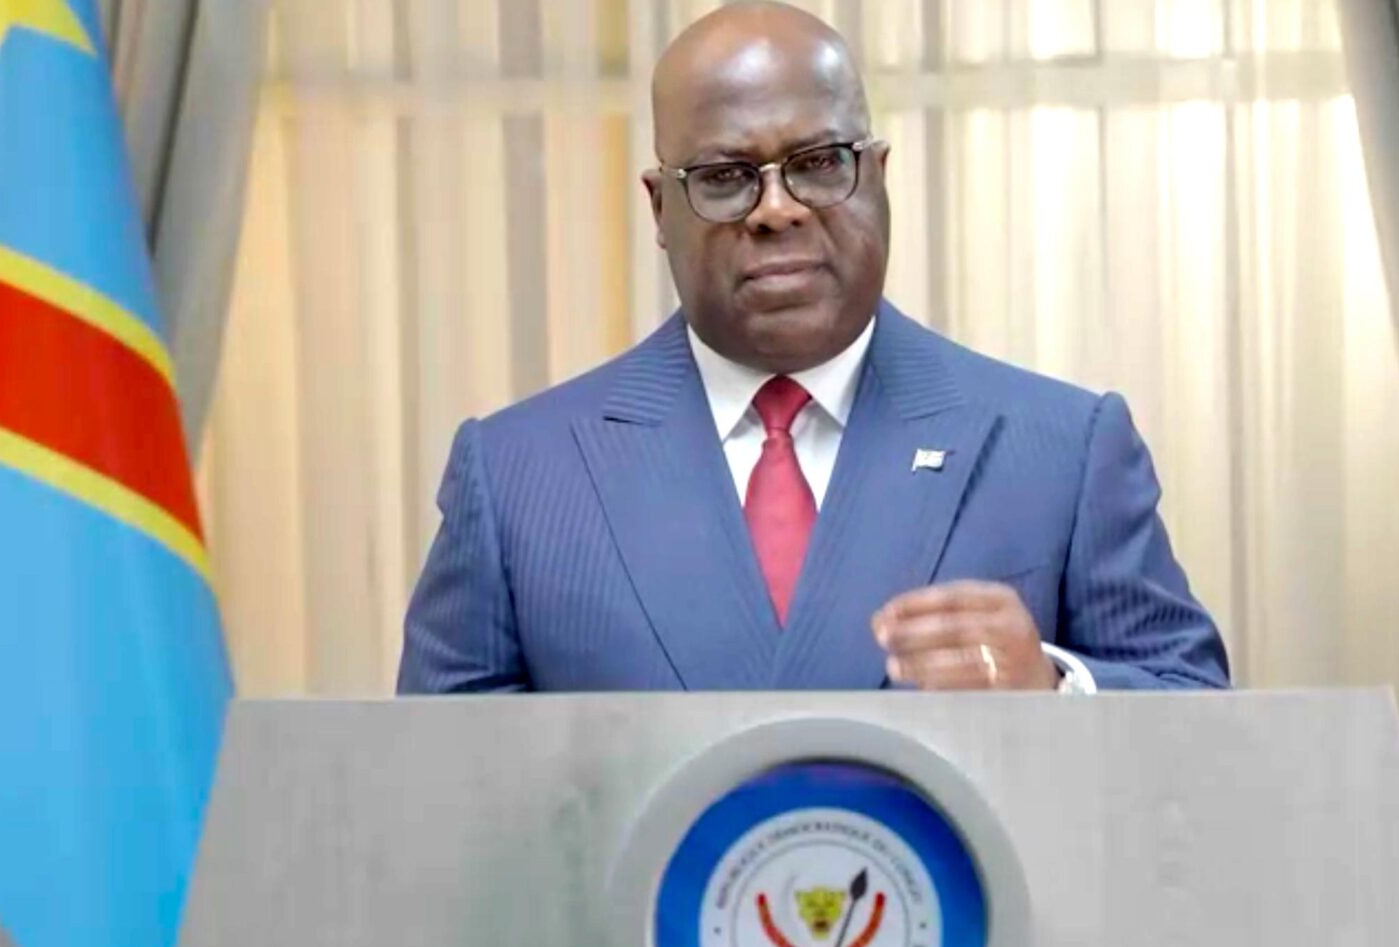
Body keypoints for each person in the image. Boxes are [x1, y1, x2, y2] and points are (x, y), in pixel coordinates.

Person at [398, 1, 1227, 694]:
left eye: (820, 163)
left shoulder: (1062, 448)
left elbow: (1199, 724)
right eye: (725, 177)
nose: (777, 209)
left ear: (878, 176)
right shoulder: (518, 477)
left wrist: (1056, 688)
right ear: (659, 210)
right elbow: (431, 789)